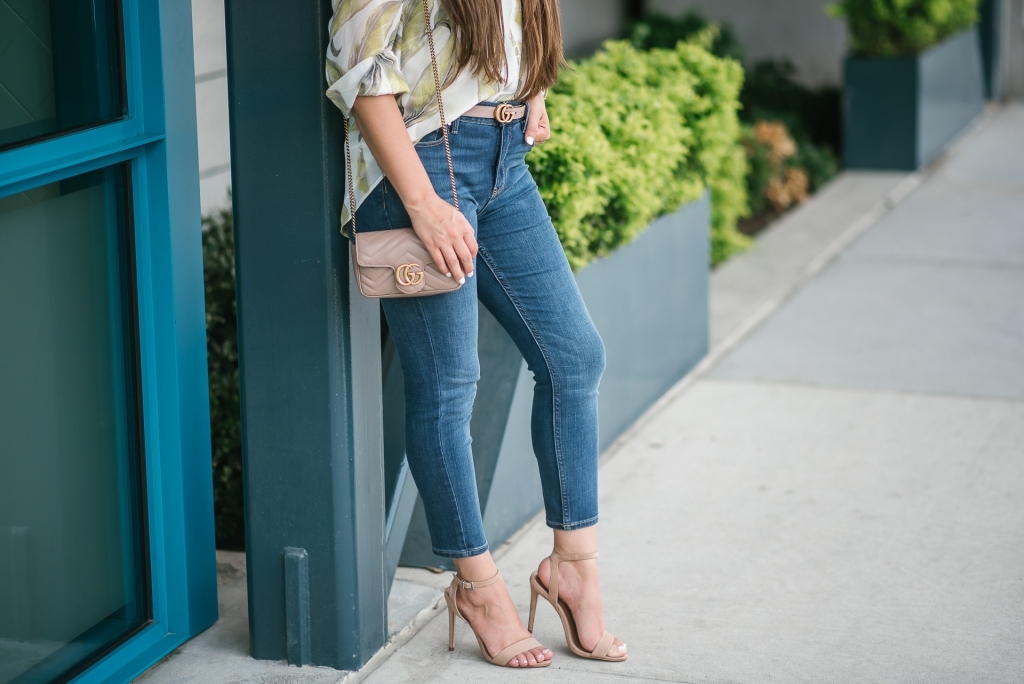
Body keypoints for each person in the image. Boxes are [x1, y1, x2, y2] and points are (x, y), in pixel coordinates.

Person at [326, 0, 626, 668]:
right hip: (423, 164)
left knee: (574, 357)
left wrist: (531, 90)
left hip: (503, 156)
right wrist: (424, 206)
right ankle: (477, 586)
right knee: (448, 386)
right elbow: (360, 69)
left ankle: (574, 568)